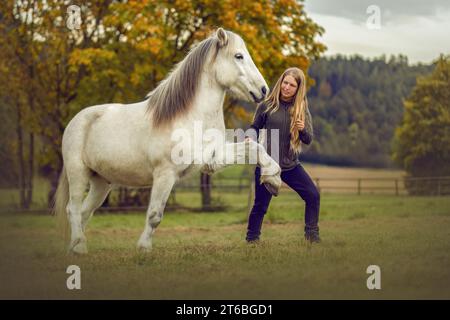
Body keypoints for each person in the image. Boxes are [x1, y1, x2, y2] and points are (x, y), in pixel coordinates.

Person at [245, 67, 321, 243]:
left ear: (298, 89)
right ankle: (252, 240)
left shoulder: (301, 108)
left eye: (292, 85)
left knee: (313, 195)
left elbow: (308, 139)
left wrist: (302, 130)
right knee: (260, 206)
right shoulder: (267, 105)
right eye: (285, 82)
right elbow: (254, 127)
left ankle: (312, 235)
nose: (287, 87)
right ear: (281, 82)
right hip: (267, 164)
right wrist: (250, 137)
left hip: (290, 166)